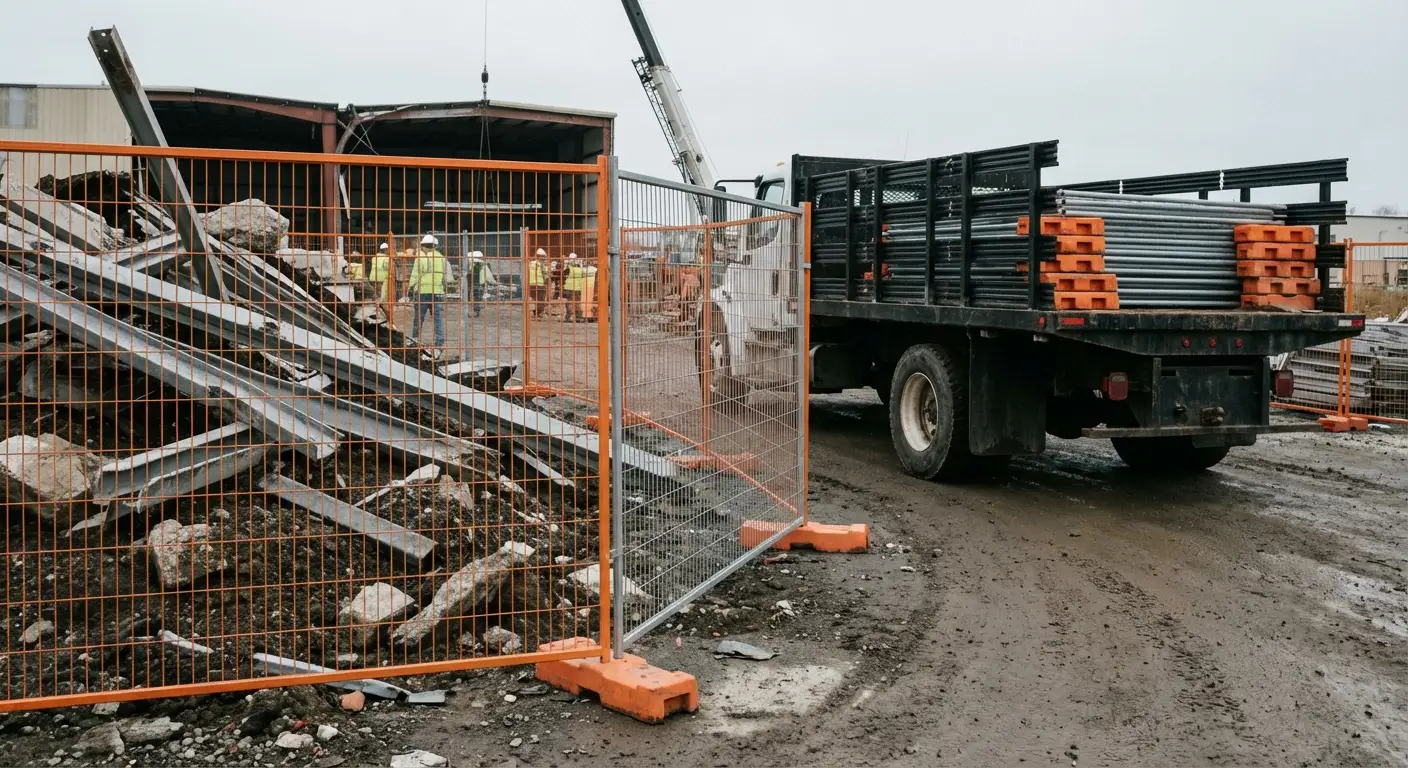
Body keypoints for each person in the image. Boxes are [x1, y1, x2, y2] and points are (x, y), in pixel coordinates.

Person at [407, 234, 452, 348]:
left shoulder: (420, 257)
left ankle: (415, 339)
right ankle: (439, 340)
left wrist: (410, 288)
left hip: (422, 292)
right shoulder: (441, 258)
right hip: (437, 292)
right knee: (437, 318)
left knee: (418, 318)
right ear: (435, 245)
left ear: (423, 245)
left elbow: (415, 275)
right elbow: (446, 277)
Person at [466, 250, 498, 318]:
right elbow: (489, 275)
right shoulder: (483, 265)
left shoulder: (477, 265)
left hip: (475, 283)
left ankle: (474, 311)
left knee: (474, 298)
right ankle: (475, 311)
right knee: (476, 298)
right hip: (478, 284)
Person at [527, 248, 549, 318]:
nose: (544, 258)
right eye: (543, 257)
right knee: (541, 300)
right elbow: (546, 275)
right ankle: (540, 313)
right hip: (540, 284)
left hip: (531, 284)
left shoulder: (530, 263)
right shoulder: (542, 264)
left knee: (535, 299)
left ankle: (536, 312)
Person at [562, 254, 584, 322]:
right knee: (577, 302)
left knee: (569, 302)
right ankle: (579, 317)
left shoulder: (569, 267)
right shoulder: (580, 268)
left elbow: (564, 276)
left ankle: (569, 317)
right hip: (578, 287)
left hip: (570, 287)